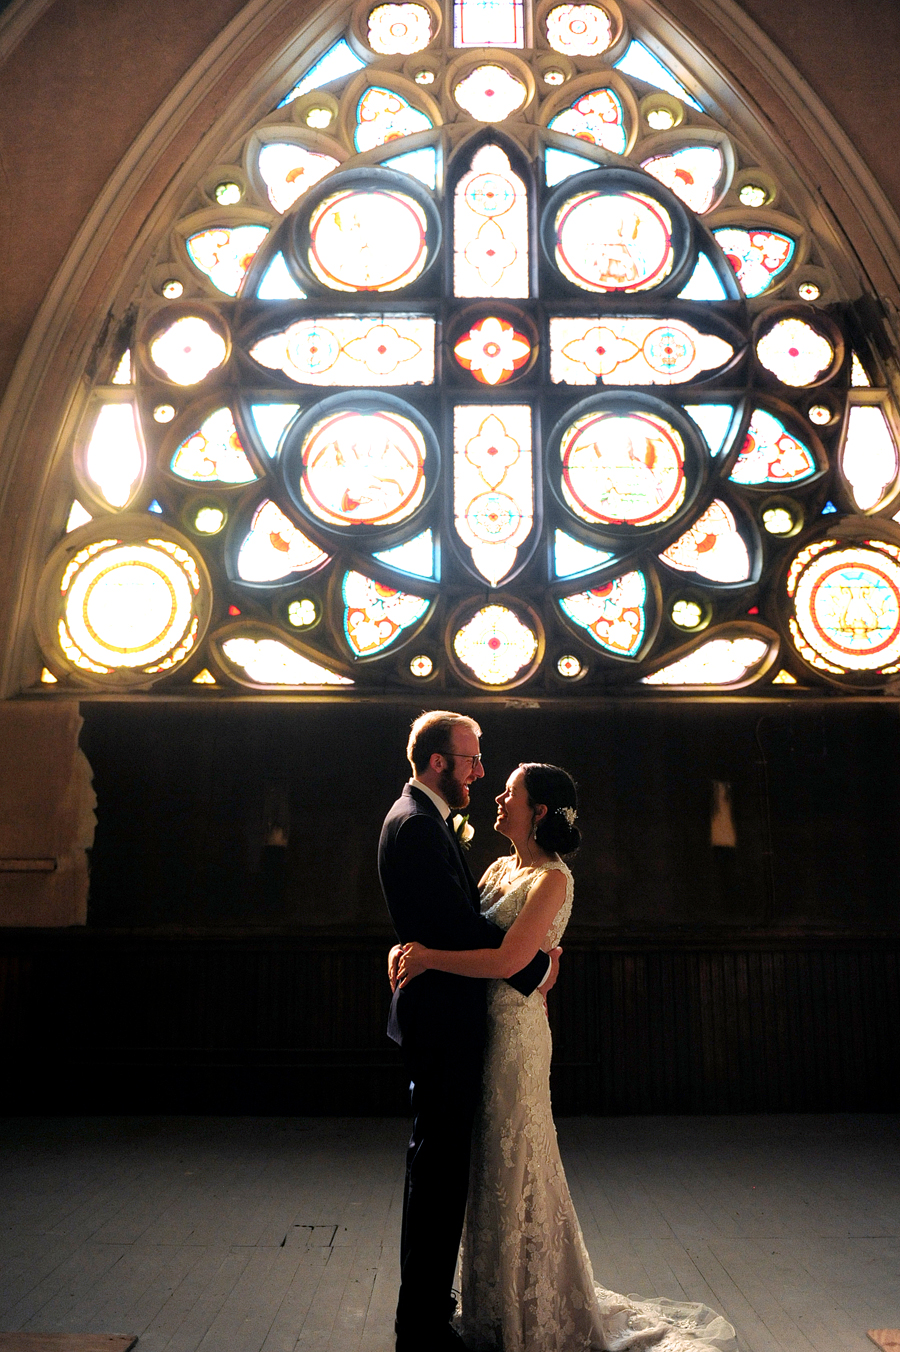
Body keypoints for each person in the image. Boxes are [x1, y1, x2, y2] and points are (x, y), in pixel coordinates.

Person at [396, 762, 738, 1352]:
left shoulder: (554, 879)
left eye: (510, 793)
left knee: (519, 1161)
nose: (498, 798)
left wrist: (427, 959)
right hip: (484, 1029)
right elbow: (478, 936)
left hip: (516, 1039)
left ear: (540, 812)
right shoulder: (502, 867)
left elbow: (506, 963)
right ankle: (494, 1302)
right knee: (489, 1170)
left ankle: (535, 1305)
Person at [379, 712, 560, 1352]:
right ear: (437, 763)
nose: (480, 771)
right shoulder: (418, 827)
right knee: (439, 1177)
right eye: (471, 759)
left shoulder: (425, 823)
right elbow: (456, 928)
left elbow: (444, 925)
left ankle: (431, 1308)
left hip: (461, 1020)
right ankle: (421, 1324)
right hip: (446, 1024)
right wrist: (536, 964)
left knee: (450, 1174)